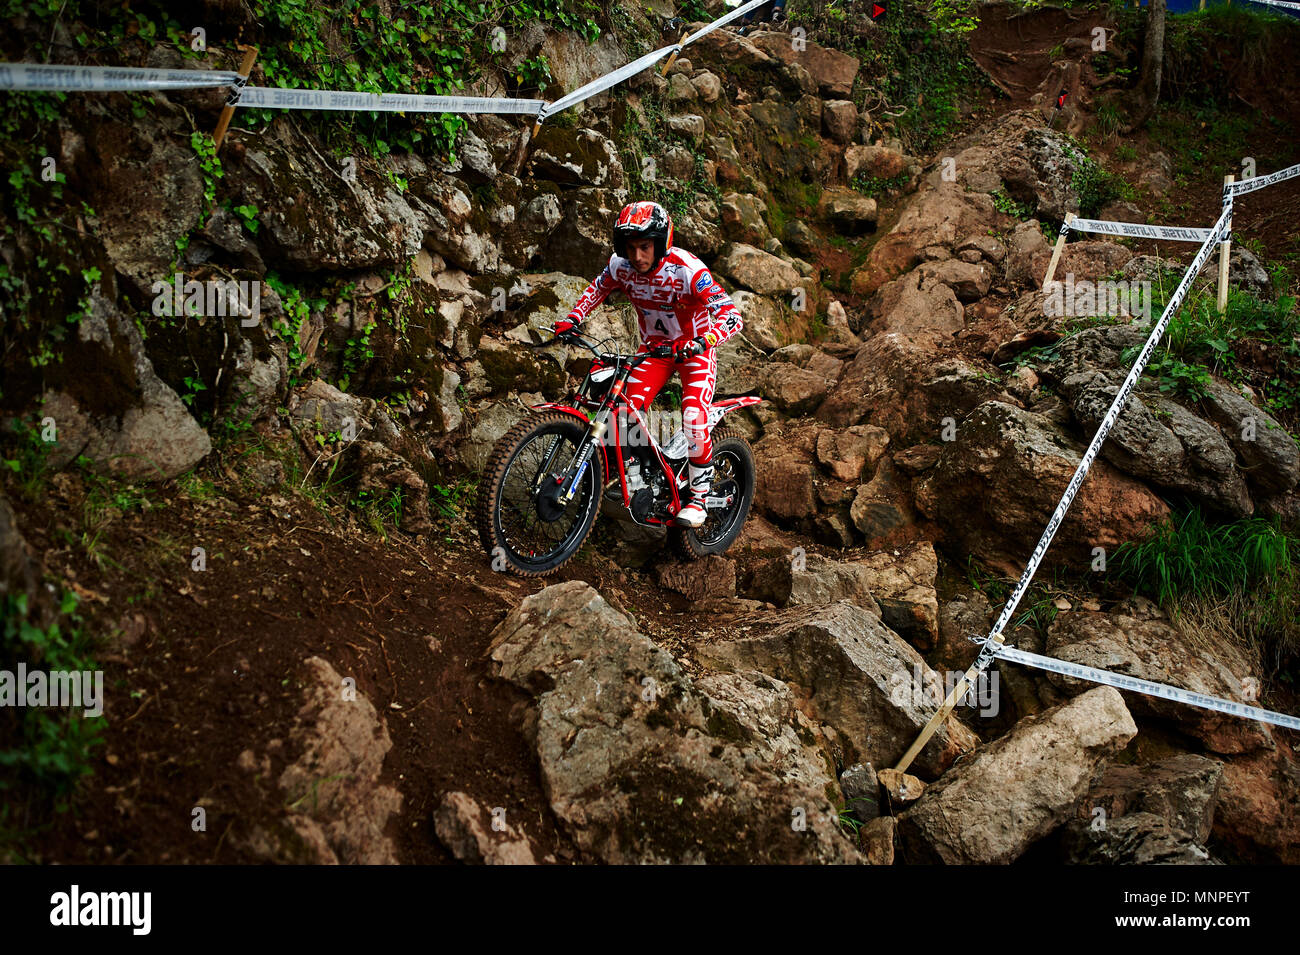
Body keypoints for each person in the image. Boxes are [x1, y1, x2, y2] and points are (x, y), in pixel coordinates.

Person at [552, 201, 743, 529]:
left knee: (693, 418)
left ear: (661, 242)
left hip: (693, 352)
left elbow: (731, 316)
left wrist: (703, 341)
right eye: (630, 247)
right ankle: (635, 477)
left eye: (644, 247)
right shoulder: (620, 266)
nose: (637, 256)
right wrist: (572, 319)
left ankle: (698, 497)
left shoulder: (687, 270)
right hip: (653, 352)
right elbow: (597, 289)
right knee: (621, 412)